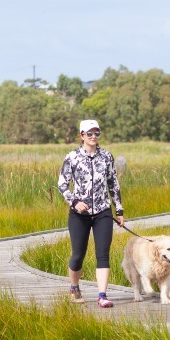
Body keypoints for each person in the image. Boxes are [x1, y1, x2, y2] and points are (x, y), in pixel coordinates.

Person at [56, 119, 124, 307]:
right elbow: (62, 184)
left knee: (103, 254)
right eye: (90, 133)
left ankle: (102, 295)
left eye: (97, 133)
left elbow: (113, 184)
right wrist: (74, 201)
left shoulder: (107, 157)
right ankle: (74, 286)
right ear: (82, 136)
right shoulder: (72, 157)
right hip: (79, 215)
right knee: (78, 255)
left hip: (103, 211)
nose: (93, 137)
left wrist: (119, 210)